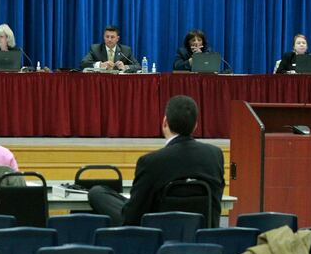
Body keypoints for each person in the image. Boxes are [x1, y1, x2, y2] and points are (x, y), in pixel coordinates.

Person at [88, 95, 224, 226]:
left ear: (165, 122)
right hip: (201, 232)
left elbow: (132, 217)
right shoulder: (215, 155)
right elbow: (215, 203)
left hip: (158, 233)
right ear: (195, 125)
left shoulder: (150, 162)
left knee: (97, 193)